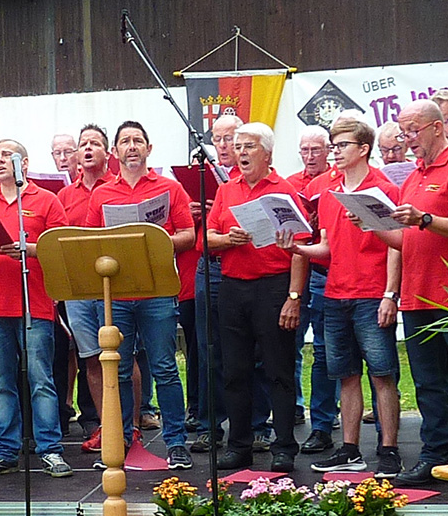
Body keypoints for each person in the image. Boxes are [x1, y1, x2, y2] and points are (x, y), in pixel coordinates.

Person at [277, 119, 404, 477]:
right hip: (335, 293)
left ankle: (389, 450)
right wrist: (297, 247)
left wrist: (389, 294)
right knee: (345, 375)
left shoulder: (384, 188)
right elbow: (328, 246)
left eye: (342, 145)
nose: (335, 152)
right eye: (333, 145)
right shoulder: (329, 190)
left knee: (383, 375)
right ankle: (350, 449)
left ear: (363, 149)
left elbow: (398, 246)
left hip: (371, 293)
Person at [374, 100, 448, 486]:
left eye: (412, 131)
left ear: (437, 128)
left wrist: (425, 218)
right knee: (427, 382)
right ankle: (434, 453)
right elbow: (404, 240)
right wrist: (370, 224)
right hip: (419, 294)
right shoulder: (415, 175)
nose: (408, 141)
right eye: (403, 133)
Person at [86, 121, 196, 470]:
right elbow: (89, 241)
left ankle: (176, 443)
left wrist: (155, 240)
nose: (131, 146)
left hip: (158, 291)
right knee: (116, 370)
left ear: (149, 149)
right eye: (125, 142)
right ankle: (117, 443)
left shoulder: (169, 189)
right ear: (115, 152)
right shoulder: (101, 194)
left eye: (138, 141)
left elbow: (189, 236)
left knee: (164, 368)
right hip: (116, 294)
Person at [0, 139, 71, 478]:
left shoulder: (46, 201)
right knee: (0, 381)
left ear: (23, 164)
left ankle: (50, 449)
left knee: (41, 379)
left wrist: (30, 248)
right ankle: (4, 450)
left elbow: (63, 249)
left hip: (34, 303)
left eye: (4, 156)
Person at [207, 123, 307, 473]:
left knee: (278, 369)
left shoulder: (286, 190)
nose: (242, 153)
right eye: (238, 147)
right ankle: (239, 445)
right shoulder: (226, 189)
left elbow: (302, 248)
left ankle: (283, 446)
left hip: (274, 285)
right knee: (234, 370)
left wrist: (293, 296)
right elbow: (208, 236)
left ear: (267, 152)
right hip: (234, 286)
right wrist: (226, 239)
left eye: (249, 146)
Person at [287, 125, 339, 456]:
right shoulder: (292, 183)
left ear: (329, 151)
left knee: (324, 349)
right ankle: (293, 405)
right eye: (304, 151)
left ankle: (322, 421)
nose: (309, 157)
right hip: (294, 270)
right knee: (289, 342)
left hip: (323, 270)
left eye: (315, 151)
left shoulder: (332, 183)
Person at [60, 125, 114, 443]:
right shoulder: (65, 196)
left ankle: (130, 426)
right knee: (91, 358)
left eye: (95, 143)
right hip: (77, 287)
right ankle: (106, 427)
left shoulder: (118, 188)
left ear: (108, 153)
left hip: (114, 286)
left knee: (123, 357)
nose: (89, 148)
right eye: (84, 144)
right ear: (78, 155)